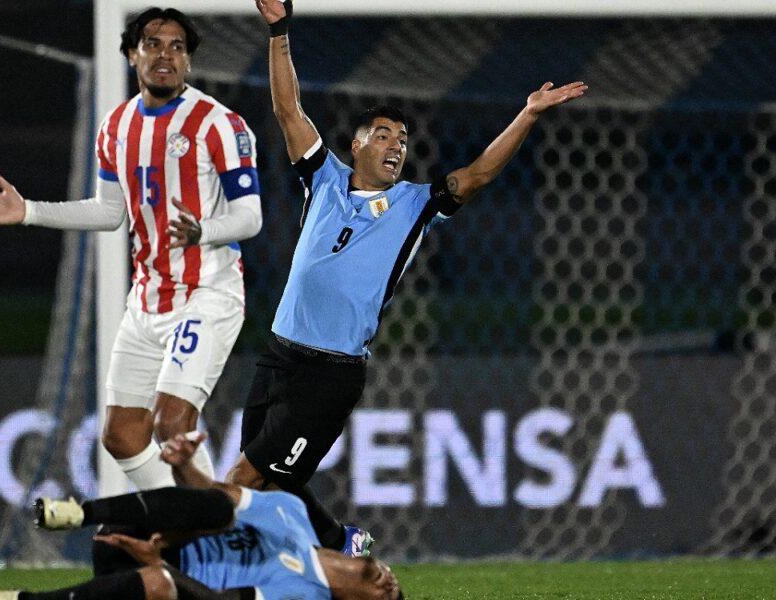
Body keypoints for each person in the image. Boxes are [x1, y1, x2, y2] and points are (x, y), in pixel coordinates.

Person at [222, 0, 590, 556]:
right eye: (384, 135)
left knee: (241, 482)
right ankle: (345, 546)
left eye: (403, 140)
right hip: (279, 356)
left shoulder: (416, 204)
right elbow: (287, 108)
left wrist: (529, 114)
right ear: (357, 144)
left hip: (330, 373)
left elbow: (479, 174)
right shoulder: (323, 178)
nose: (397, 145)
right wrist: (279, 30)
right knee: (269, 486)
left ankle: (178, 565)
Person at [0, 8, 263, 490]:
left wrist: (203, 231)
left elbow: (250, 217)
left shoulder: (218, 124)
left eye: (177, 47)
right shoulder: (116, 126)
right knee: (121, 435)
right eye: (153, 44)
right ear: (132, 54)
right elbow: (108, 212)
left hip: (206, 294)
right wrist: (29, 211)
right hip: (147, 301)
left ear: (189, 61)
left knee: (171, 422)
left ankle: (208, 526)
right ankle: (193, 514)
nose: (165, 55)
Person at [0, 432, 404, 600]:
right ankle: (79, 513)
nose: (390, 587)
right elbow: (213, 495)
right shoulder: (292, 513)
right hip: (143, 529)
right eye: (394, 587)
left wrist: (160, 565)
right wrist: (183, 465)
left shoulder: (303, 595)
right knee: (221, 507)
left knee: (161, 586)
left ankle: (15, 599)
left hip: (159, 581)